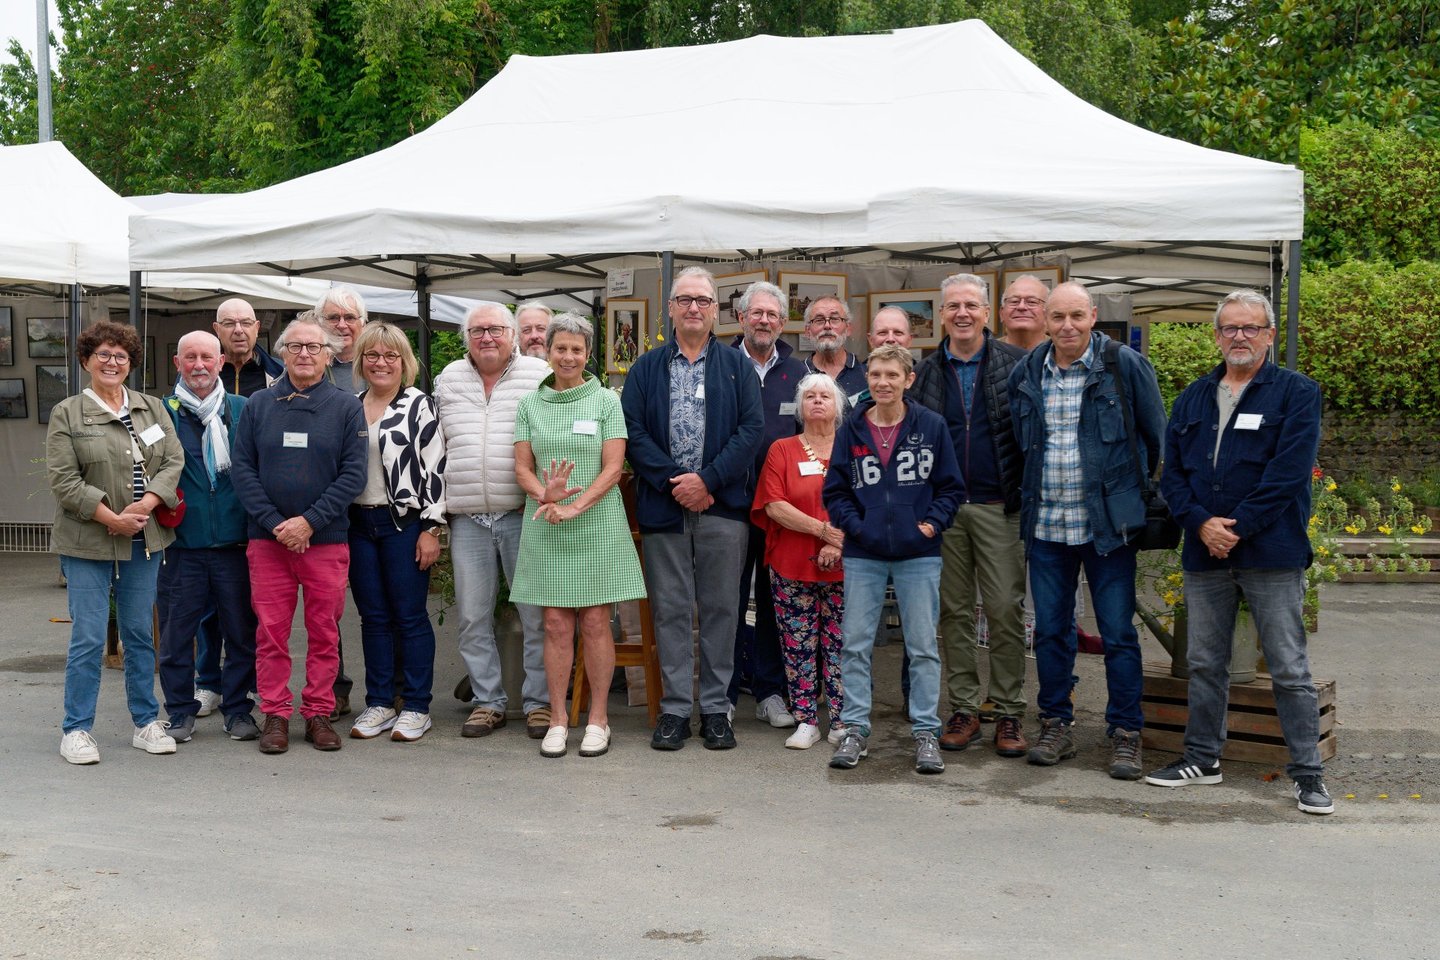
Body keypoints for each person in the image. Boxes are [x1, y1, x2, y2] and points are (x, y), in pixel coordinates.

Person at [1146, 290, 1334, 815]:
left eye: (1251, 328)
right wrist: (1202, 524)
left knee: (1289, 667)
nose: (1240, 337)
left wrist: (1237, 527)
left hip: (1272, 551)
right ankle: (1202, 759)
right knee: (1205, 663)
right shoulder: (1193, 397)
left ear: (1270, 335)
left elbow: (1289, 475)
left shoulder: (1296, 394)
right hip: (1205, 553)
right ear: (1216, 336)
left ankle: (1307, 774)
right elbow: (1174, 474)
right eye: (1229, 329)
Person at [1008, 281, 1166, 780]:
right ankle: (1056, 723)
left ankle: (1125, 732)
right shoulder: (1027, 371)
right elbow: (1022, 444)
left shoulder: (1123, 365)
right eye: (1058, 317)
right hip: (1049, 525)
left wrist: (1133, 498)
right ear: (1045, 322)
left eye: (1077, 316)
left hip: (1108, 527)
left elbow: (1157, 438)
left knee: (1118, 633)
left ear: (1093, 316)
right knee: (1052, 633)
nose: (1068, 326)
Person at [621, 266, 762, 751]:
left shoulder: (736, 366)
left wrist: (708, 481)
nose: (695, 308)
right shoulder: (646, 368)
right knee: (672, 611)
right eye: (685, 300)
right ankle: (676, 711)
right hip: (664, 507)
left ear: (716, 310)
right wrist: (674, 482)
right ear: (672, 309)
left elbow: (751, 431)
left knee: (724, 609)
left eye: (703, 300)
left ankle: (717, 710)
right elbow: (633, 431)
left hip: (722, 508)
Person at [510, 313, 646, 758]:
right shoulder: (530, 405)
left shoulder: (606, 401)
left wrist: (575, 505)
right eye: (560, 348)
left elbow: (614, 467)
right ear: (547, 352)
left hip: (596, 522)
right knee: (553, 624)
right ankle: (557, 719)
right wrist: (545, 496)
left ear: (588, 354)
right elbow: (522, 468)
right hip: (548, 522)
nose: (568, 356)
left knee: (594, 623)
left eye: (577, 349)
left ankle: (599, 719)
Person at [48, 320, 184, 764]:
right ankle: (77, 730)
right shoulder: (67, 412)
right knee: (87, 637)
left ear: (131, 363)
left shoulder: (151, 408)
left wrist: (141, 510)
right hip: (87, 542)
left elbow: (173, 462)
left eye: (120, 356)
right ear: (86, 360)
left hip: (144, 539)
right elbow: (64, 481)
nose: (112, 362)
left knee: (140, 634)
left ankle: (146, 722)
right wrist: (111, 517)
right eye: (102, 354)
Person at [823, 345, 964, 774]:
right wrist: (858, 527)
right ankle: (855, 729)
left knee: (922, 646)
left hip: (918, 553)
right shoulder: (851, 428)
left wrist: (928, 526)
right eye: (875, 374)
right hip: (864, 553)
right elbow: (836, 490)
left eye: (891, 375)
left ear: (909, 379)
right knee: (856, 644)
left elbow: (951, 488)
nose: (882, 382)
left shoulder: (932, 426)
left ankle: (925, 732)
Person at [231, 313, 367, 754]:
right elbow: (244, 471)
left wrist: (309, 522)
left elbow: (353, 475)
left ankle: (318, 713)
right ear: (282, 353)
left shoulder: (347, 407)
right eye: (295, 347)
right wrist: (276, 524)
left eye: (313, 347)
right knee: (271, 633)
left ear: (329, 356)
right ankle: (274, 713)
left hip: (325, 539)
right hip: (266, 541)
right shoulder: (258, 405)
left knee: (324, 631)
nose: (304, 354)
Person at [910, 274, 1030, 758]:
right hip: (944, 510)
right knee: (954, 612)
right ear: (941, 314)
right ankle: (962, 707)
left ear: (987, 313)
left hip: (999, 506)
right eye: (953, 306)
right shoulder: (924, 371)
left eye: (971, 306)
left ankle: (1007, 709)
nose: (962, 313)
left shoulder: (1018, 365)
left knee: (1004, 609)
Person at [434, 302, 552, 739]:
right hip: (467, 517)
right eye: (478, 330)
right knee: (472, 616)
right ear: (467, 337)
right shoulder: (448, 378)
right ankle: (488, 702)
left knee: (535, 613)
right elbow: (434, 445)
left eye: (496, 329)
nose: (487, 337)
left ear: (514, 335)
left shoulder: (538, 375)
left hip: (522, 512)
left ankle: (538, 702)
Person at [345, 322, 448, 743]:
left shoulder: (419, 404)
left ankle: (418, 707)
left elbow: (438, 466)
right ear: (361, 361)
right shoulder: (350, 406)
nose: (381, 362)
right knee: (373, 618)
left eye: (390, 355)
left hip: (404, 523)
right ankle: (380, 702)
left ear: (403, 362)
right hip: (357, 524)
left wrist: (432, 528)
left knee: (409, 617)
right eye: (372, 355)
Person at [156, 331, 259, 744]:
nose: (199, 364)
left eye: (207, 357)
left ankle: (237, 711)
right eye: (190, 357)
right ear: (178, 363)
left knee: (241, 635)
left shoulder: (244, 409)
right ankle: (180, 712)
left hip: (236, 546)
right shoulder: (162, 414)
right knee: (177, 638)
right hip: (181, 547)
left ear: (221, 362)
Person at [751, 373, 848, 749]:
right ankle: (806, 718)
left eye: (826, 396)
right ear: (800, 406)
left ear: (838, 406)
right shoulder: (783, 449)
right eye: (810, 396)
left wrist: (838, 541)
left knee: (842, 644)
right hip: (791, 563)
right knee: (797, 643)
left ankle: (842, 720)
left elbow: (865, 502)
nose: (818, 401)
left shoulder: (852, 447)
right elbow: (773, 504)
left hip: (845, 562)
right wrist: (824, 532)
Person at [730, 281, 806, 730]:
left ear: (781, 322)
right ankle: (725, 687)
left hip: (782, 508)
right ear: (740, 319)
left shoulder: (798, 373)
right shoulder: (721, 364)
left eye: (771, 315)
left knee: (777, 599)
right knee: (731, 598)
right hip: (732, 503)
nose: (763, 321)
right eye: (755, 313)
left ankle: (771, 690)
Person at [802, 296, 867, 402]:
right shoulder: (797, 374)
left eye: (835, 319)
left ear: (848, 328)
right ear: (808, 331)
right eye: (819, 320)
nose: (827, 326)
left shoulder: (866, 373)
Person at [215, 297, 283, 398]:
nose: (238, 330)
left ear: (257, 328)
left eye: (246, 323)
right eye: (229, 323)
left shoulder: (281, 373)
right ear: (217, 330)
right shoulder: (205, 371)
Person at [317, 286, 368, 391]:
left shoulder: (378, 365)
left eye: (350, 318)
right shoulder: (309, 365)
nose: (342, 325)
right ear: (320, 324)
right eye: (333, 318)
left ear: (363, 325)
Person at [998, 275, 1050, 352]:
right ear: (1002, 313)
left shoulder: (1062, 351)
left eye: (1032, 301)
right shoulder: (985, 353)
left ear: (1048, 313)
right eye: (1014, 301)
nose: (1021, 307)